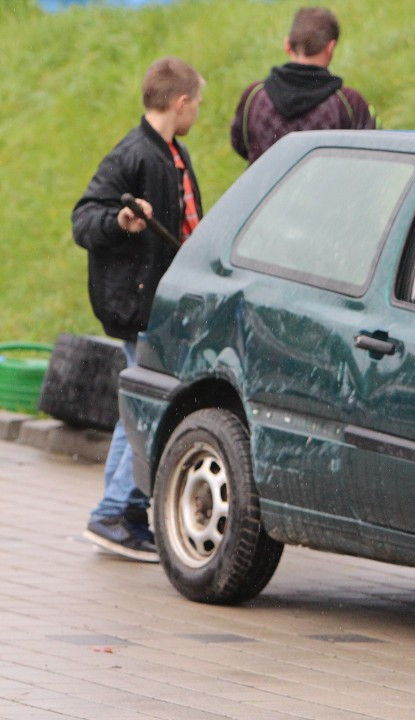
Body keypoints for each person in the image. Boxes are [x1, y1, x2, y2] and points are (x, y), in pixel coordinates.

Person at [72, 57, 205, 562]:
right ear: (181, 102)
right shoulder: (133, 155)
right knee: (149, 408)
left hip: (162, 302)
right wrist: (122, 222)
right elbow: (84, 220)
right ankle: (113, 512)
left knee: (139, 405)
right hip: (138, 304)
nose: (198, 113)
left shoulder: (174, 152)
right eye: (197, 104)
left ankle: (122, 512)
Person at [230, 6, 377, 165]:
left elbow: (240, 144)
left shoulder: (254, 96)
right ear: (330, 48)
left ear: (287, 45)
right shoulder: (348, 103)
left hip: (266, 190)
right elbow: (370, 156)